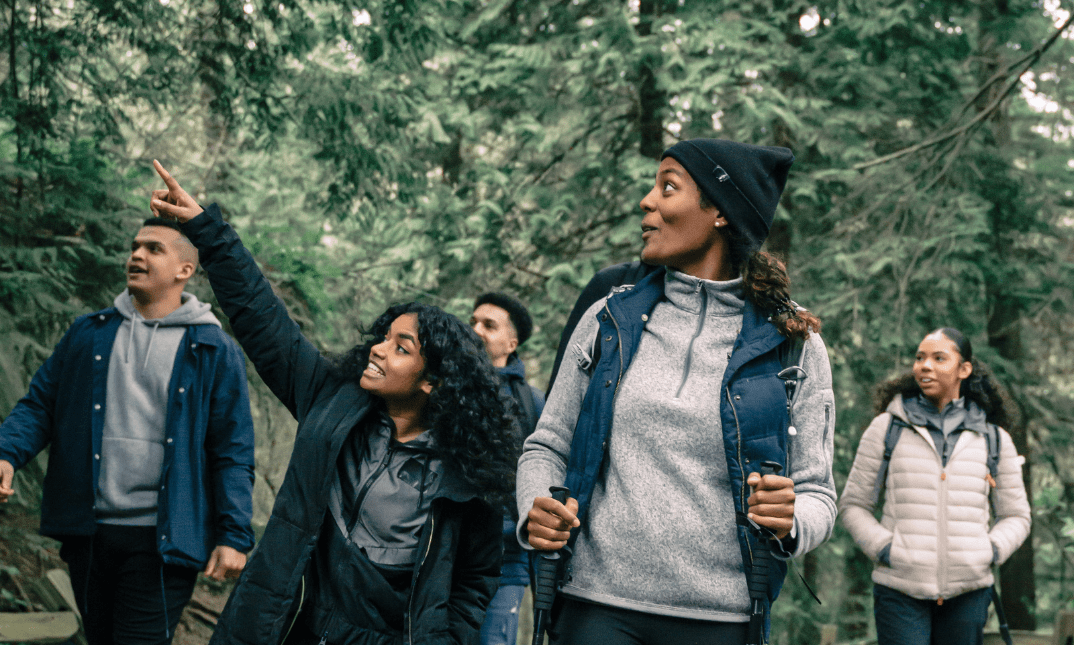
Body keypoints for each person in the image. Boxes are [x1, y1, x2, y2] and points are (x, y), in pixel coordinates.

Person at [148, 161, 520, 645]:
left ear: (432, 383)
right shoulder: (332, 405)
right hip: (287, 623)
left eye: (401, 347)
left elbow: (474, 580)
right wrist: (206, 231)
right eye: (384, 338)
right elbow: (265, 322)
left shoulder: (467, 475)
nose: (378, 349)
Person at [516, 138, 837, 644]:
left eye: (668, 186)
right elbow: (547, 445)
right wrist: (537, 504)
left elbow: (818, 493)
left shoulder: (793, 345)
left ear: (720, 213)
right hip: (596, 607)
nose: (647, 200)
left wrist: (790, 519)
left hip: (722, 619)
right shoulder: (608, 319)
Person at [0, 218, 255, 645]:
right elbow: (41, 406)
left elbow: (231, 449)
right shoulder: (88, 333)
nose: (136, 255)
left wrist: (234, 535)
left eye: (154, 249)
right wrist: (6, 453)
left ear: (184, 270)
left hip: (163, 540)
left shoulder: (213, 349)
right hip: (89, 532)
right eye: (135, 247)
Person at [839, 328, 1031, 645]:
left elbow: (1017, 516)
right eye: (920, 358)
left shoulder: (993, 438)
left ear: (964, 369)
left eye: (939, 358)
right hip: (900, 589)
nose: (924, 366)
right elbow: (853, 505)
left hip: (968, 591)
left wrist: (990, 550)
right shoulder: (886, 428)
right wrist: (886, 549)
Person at [470, 293, 546, 645]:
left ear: (511, 343)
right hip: (440, 554)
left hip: (505, 563)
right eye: (473, 322)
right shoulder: (443, 387)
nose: (476, 330)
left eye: (489, 325)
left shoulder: (531, 402)